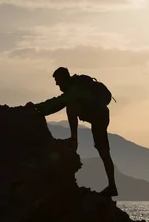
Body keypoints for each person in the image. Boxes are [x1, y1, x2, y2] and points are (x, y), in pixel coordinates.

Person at [33, 67, 118, 197]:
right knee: (104, 152)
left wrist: (36, 108)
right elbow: (58, 101)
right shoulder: (76, 87)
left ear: (64, 78)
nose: (57, 84)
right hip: (101, 116)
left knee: (71, 107)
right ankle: (112, 186)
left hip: (98, 116)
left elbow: (57, 103)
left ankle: (74, 140)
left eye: (58, 80)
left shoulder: (74, 89)